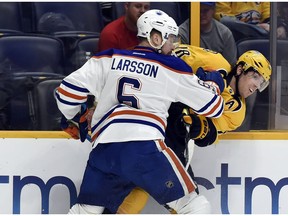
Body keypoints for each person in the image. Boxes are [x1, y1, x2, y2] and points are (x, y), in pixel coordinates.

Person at [56, 9, 225, 214]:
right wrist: (213, 83)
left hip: (105, 151)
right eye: (170, 39)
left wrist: (77, 116)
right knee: (193, 205)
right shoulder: (171, 66)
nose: (173, 46)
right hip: (145, 149)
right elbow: (214, 107)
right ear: (156, 37)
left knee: (84, 211)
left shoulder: (110, 57)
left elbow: (65, 93)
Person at [100, 45, 272, 213]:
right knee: (184, 201)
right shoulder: (215, 61)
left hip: (174, 135)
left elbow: (207, 135)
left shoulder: (237, 111)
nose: (256, 86)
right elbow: (172, 53)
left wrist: (199, 127)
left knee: (167, 194)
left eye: (261, 82)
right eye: (255, 77)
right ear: (241, 69)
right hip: (150, 117)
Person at [214, 2, 278, 42]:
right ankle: (262, 33)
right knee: (225, 21)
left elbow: (268, 14)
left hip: (258, 33)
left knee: (275, 27)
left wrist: (270, 25)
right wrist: (255, 27)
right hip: (235, 33)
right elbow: (222, 15)